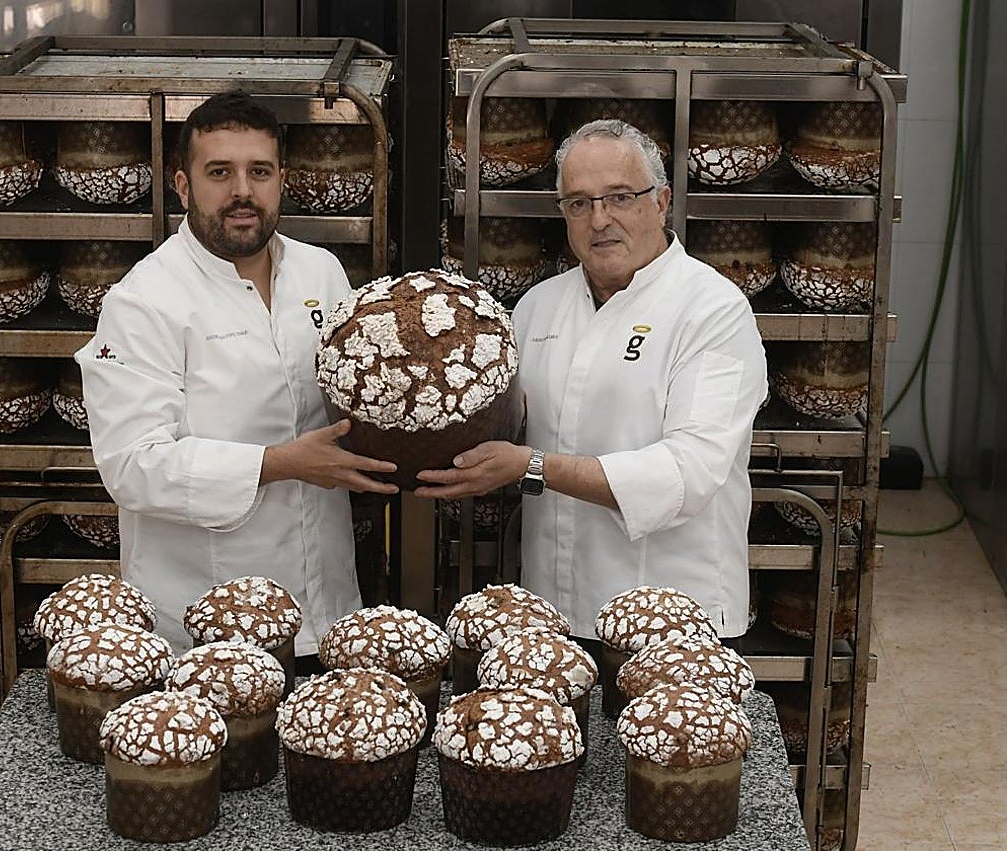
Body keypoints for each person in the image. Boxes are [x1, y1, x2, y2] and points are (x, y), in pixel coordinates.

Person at [416, 119, 767, 641]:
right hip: (552, 615)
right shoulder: (539, 307)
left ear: (662, 201)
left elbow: (687, 475)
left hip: (671, 622)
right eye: (579, 203)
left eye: (620, 197)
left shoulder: (713, 311)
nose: (599, 219)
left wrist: (533, 467)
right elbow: (500, 423)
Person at [75, 91, 397, 656]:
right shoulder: (144, 301)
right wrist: (278, 464)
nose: (242, 191)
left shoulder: (320, 272)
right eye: (219, 172)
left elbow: (355, 395)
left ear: (282, 180)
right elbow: (132, 466)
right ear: (182, 186)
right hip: (207, 624)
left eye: (259, 171)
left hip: (326, 610)